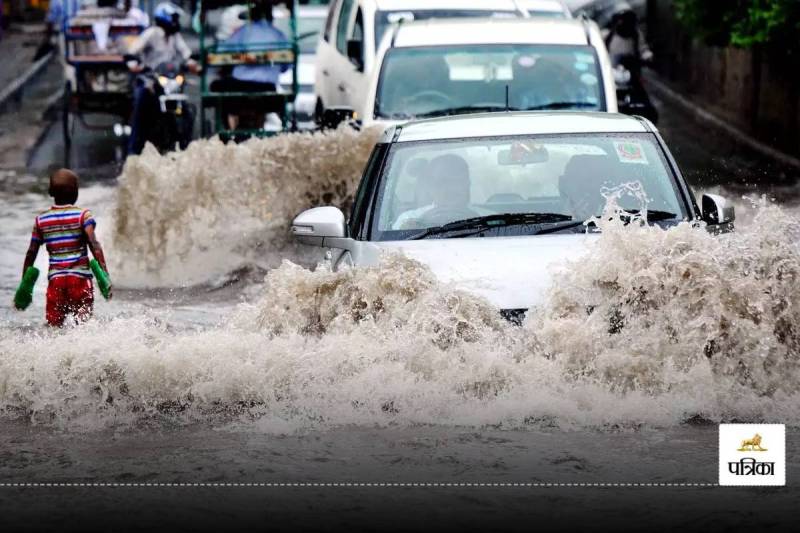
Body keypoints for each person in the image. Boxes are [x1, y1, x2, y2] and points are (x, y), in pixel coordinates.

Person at [17, 169, 111, 327]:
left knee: (54, 327)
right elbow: (93, 244)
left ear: (50, 192)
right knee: (84, 325)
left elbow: (31, 252)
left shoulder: (41, 220)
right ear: (76, 192)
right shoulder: (83, 216)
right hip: (80, 281)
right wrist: (104, 274)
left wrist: (24, 284)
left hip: (56, 282)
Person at [126, 2, 197, 154]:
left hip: (170, 82)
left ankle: (185, 148)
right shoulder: (151, 33)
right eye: (174, 18)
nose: (176, 22)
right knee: (140, 107)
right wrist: (134, 64)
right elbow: (132, 52)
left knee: (187, 113)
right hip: (150, 81)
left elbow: (186, 54)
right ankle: (133, 151)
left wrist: (193, 64)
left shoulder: (174, 36)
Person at [210, 1, 289, 131]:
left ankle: (228, 131)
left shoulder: (243, 32)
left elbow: (220, 53)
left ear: (252, 17)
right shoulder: (279, 35)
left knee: (215, 87)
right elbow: (285, 68)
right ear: (271, 17)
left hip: (240, 89)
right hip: (268, 91)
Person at [393, 154, 478, 229]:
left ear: (467, 183)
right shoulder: (408, 219)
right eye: (441, 182)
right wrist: (415, 228)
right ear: (430, 187)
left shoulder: (488, 216)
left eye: (456, 181)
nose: (449, 188)